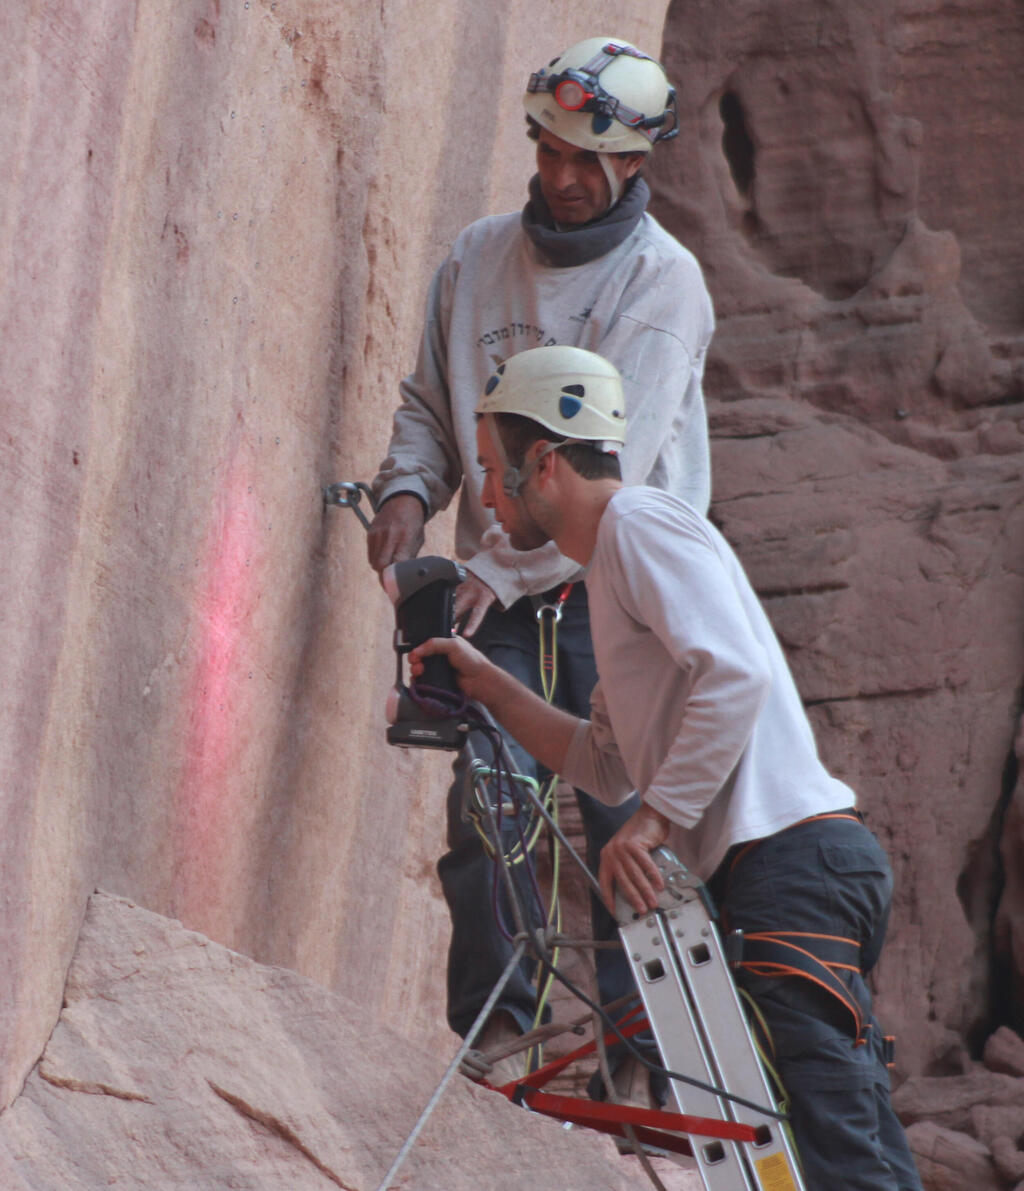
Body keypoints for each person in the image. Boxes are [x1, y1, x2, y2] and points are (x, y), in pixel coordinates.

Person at [408, 345, 924, 1191]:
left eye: (495, 473)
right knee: (828, 1145)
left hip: (793, 861)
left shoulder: (641, 525)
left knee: (841, 1148)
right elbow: (603, 764)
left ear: (545, 464)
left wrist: (651, 826)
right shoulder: (610, 571)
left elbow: (736, 675)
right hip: (786, 869)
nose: (489, 502)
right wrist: (492, 685)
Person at [366, 36, 714, 1096]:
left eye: (588, 159)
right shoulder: (477, 257)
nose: (562, 177)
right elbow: (431, 403)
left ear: (635, 164)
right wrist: (406, 492)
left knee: (623, 824)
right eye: (549, 148)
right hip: (501, 583)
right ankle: (496, 1040)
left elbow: (613, 464)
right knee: (493, 810)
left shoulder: (664, 285)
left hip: (620, 586)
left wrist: (499, 570)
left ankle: (648, 1067)